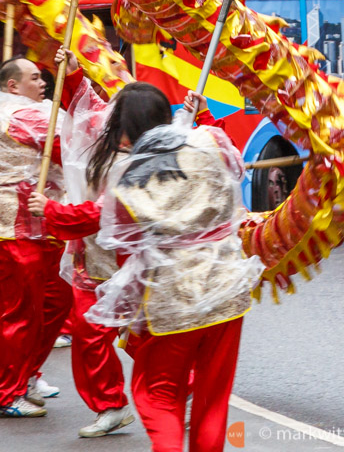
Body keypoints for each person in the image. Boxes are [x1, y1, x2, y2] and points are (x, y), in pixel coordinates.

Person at [29, 60, 216, 438]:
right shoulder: (113, 140)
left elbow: (101, 213)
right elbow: (82, 107)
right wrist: (71, 71)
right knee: (88, 332)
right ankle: (110, 403)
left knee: (142, 334)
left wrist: (50, 211)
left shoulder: (155, 157)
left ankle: (186, 388)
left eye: (121, 121)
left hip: (135, 261)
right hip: (95, 257)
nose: (112, 124)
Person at [83, 95, 264, 452]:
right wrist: (188, 123)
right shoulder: (209, 140)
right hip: (227, 285)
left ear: (126, 131)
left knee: (159, 396)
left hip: (173, 296)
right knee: (213, 398)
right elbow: (234, 167)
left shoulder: (129, 176)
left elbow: (120, 235)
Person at [0, 54, 74, 418]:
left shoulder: (22, 111)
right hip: (13, 227)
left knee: (56, 301)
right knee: (23, 311)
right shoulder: (19, 114)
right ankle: (5, 394)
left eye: (44, 76)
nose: (43, 82)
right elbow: (72, 148)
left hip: (35, 227)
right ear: (12, 86)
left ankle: (24, 375)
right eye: (34, 77)